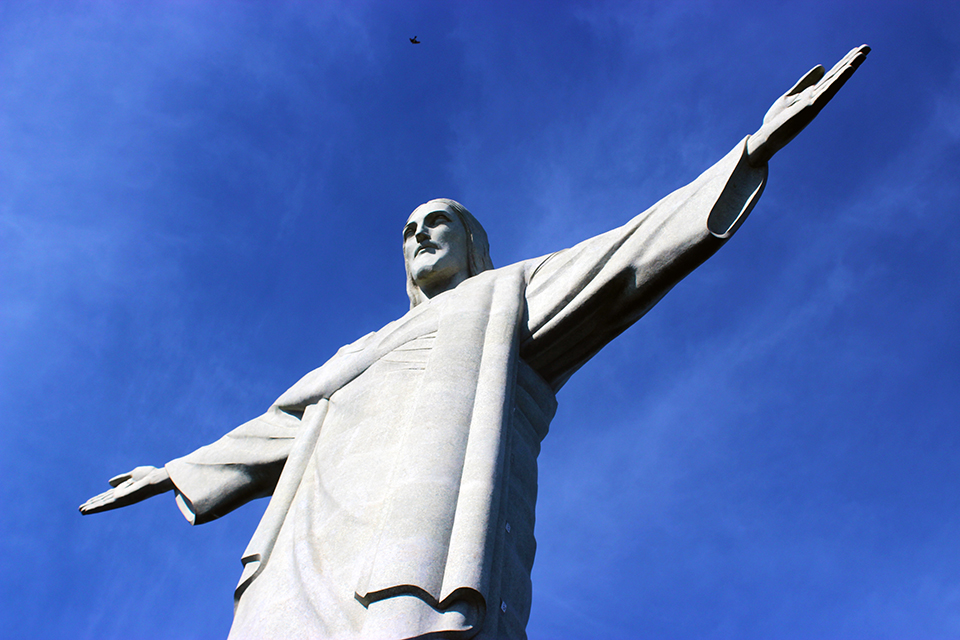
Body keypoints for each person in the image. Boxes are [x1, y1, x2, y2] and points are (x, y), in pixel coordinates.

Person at [80, 46, 869, 640]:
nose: (422, 233)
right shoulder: (361, 349)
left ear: (474, 243)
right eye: (409, 229)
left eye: (439, 222)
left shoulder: (503, 299)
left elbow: (629, 255)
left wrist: (752, 151)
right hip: (307, 537)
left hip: (411, 535)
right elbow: (282, 428)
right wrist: (172, 473)